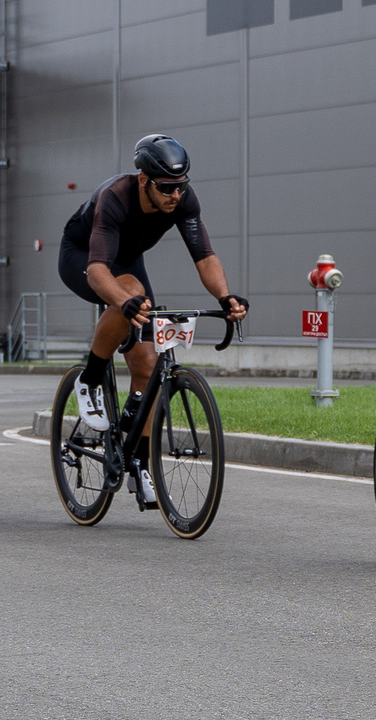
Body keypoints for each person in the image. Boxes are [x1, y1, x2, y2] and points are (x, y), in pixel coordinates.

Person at [59, 135, 248, 502]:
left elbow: (205, 257)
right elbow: (99, 271)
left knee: (147, 364)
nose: (175, 195)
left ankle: (139, 464)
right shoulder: (116, 197)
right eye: (166, 188)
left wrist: (224, 297)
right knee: (128, 292)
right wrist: (122, 301)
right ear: (143, 179)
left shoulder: (182, 200)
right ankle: (91, 377)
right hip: (83, 258)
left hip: (128, 261)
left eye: (181, 186)